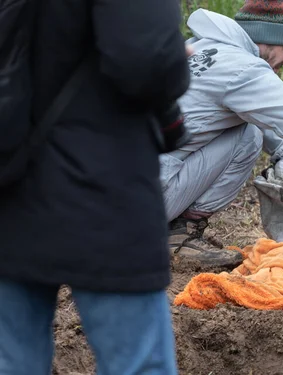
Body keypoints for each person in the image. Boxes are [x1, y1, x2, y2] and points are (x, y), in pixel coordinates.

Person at [0, 0, 191, 373]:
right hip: (102, 187)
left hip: (10, 181)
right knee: (137, 363)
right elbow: (146, 59)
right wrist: (175, 62)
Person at [162, 0, 283, 253]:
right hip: (141, 203)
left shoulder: (197, 47)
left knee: (246, 125)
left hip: (110, 191)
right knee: (250, 135)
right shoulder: (241, 67)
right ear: (265, 40)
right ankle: (179, 233)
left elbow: (247, 105)